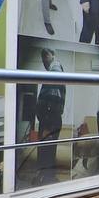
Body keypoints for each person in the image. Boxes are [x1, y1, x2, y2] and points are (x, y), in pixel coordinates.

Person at [35, 49, 66, 185]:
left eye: (44, 59)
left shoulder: (55, 70)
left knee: (46, 150)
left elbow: (53, 99)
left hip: (49, 119)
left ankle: (45, 179)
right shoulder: (57, 71)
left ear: (49, 56)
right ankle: (46, 178)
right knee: (48, 149)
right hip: (51, 118)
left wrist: (46, 124)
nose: (44, 63)